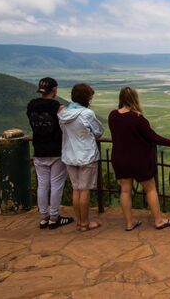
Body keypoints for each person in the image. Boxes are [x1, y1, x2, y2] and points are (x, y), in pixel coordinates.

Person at [108, 87, 170, 231]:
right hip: (138, 160)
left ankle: (129, 223)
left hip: (119, 158)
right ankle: (158, 220)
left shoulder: (113, 115)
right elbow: (152, 136)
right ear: (135, 99)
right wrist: (169, 141)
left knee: (125, 190)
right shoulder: (137, 118)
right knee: (150, 189)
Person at [26, 77, 74, 229]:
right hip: (56, 150)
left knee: (42, 185)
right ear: (54, 90)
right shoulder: (57, 107)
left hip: (39, 149)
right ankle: (54, 217)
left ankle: (43, 218)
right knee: (56, 185)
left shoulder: (31, 106)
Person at [59, 83, 103, 232]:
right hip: (86, 154)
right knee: (84, 190)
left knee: (76, 189)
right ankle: (85, 223)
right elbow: (98, 131)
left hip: (69, 155)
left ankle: (79, 222)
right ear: (86, 98)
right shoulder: (87, 114)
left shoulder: (63, 114)